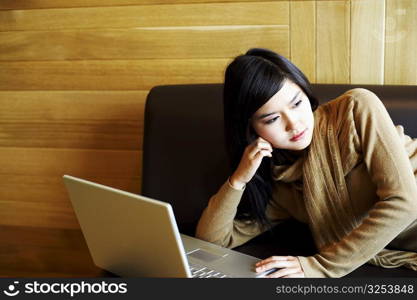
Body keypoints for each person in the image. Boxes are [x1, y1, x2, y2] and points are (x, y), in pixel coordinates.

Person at [195, 48, 417, 277]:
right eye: (272, 119)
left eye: (297, 103)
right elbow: (211, 241)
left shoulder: (355, 108)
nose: (294, 124)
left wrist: (320, 266)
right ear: (251, 130)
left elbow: (404, 202)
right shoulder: (283, 187)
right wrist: (238, 180)